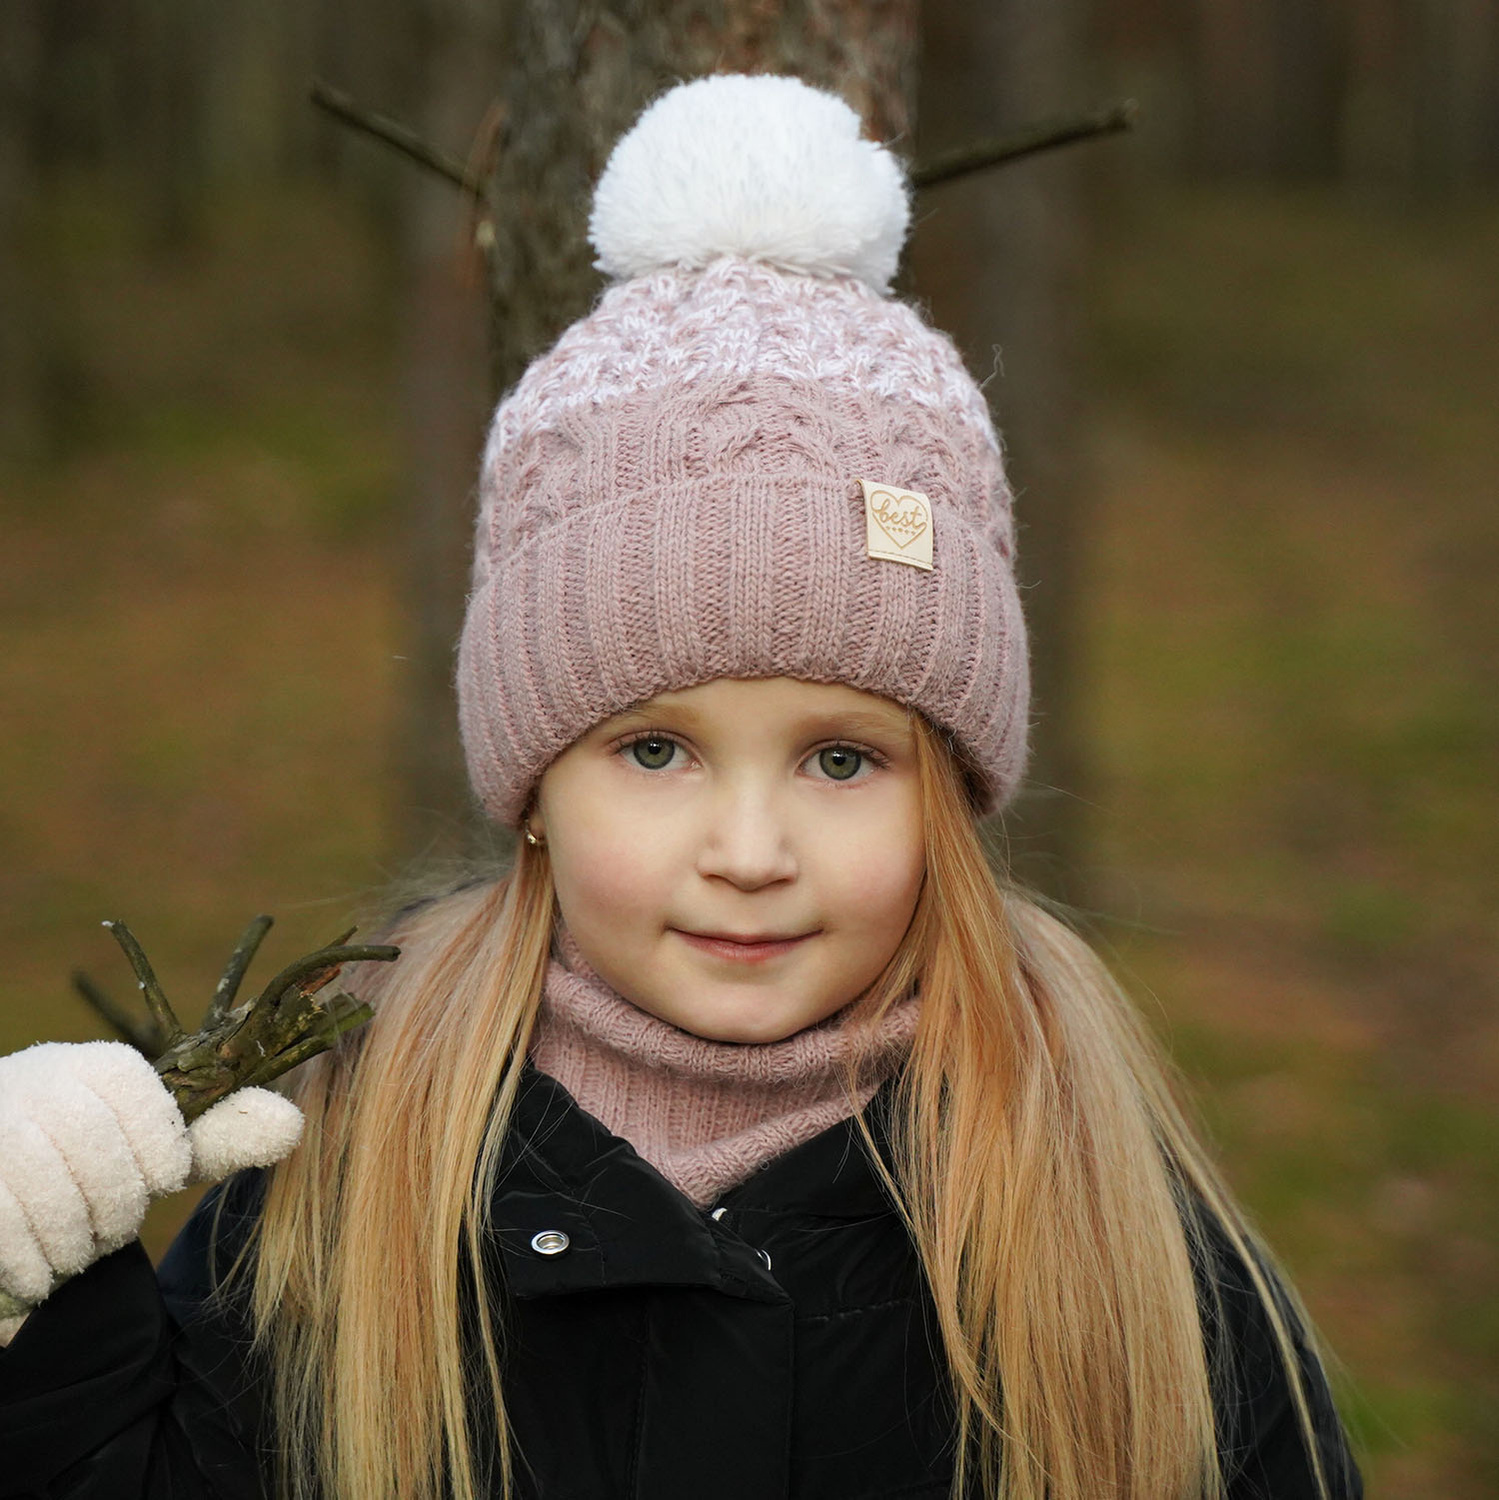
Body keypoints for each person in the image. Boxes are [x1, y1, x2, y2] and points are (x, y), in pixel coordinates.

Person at [0, 73, 1361, 1500]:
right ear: (531, 785)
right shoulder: (350, 1166)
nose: (751, 849)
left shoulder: (1102, 1215)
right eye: (655, 751)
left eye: (844, 760)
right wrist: (49, 1323)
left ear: (949, 797)